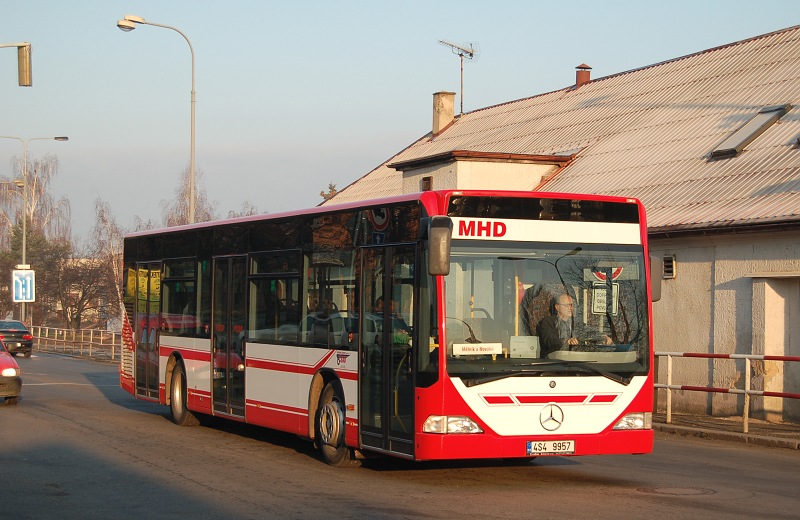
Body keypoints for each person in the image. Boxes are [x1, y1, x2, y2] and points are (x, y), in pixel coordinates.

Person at [536, 293, 612, 357]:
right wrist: (567, 341)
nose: (570, 308)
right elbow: (550, 341)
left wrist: (602, 337)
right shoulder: (547, 323)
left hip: (575, 362)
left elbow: (588, 331)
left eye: (571, 305)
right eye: (566, 305)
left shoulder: (576, 322)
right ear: (557, 307)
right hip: (553, 364)